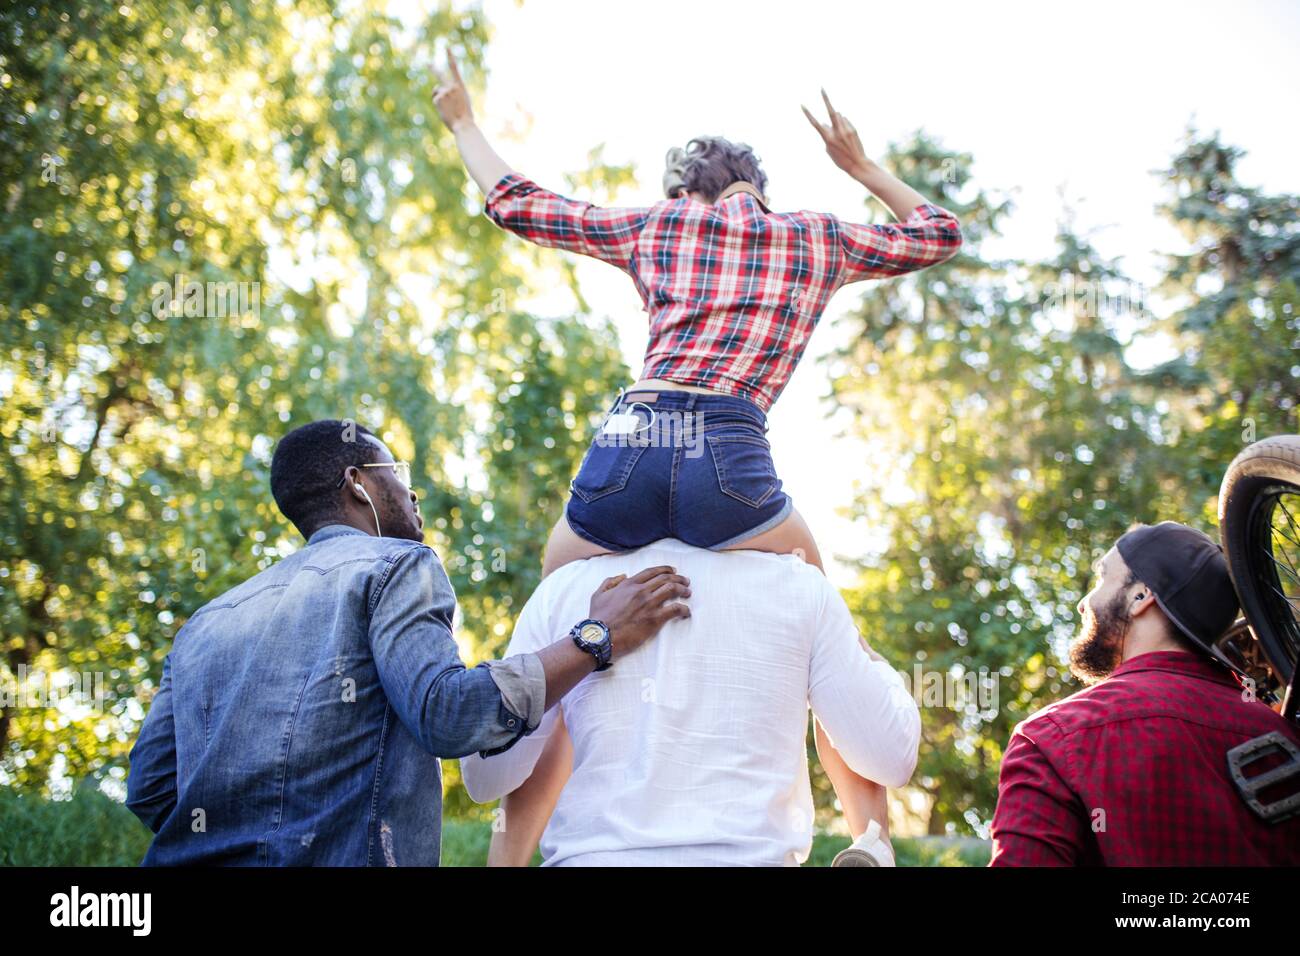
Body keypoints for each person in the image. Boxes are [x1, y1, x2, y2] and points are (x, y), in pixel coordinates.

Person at [431, 49, 959, 844]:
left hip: (631, 446)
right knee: (822, 610)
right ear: (758, 189)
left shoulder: (661, 221)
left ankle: (511, 852)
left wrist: (465, 124)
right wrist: (862, 166)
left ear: (685, 188)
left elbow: (519, 203)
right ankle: (868, 837)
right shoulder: (815, 238)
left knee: (554, 621)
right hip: (731, 456)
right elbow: (939, 232)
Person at [125, 419, 690, 865]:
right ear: (357, 483)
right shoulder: (394, 567)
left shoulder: (204, 623)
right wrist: (595, 637)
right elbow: (447, 713)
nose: (411, 489)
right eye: (396, 470)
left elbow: (151, 789)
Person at [459, 538, 922, 866]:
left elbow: (485, 777)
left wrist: (565, 663)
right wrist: (865, 657)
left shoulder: (563, 591)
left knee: (555, 719)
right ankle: (874, 846)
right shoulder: (801, 584)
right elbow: (889, 759)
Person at [990, 521, 1300, 866]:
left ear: (1141, 596)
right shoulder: (1282, 736)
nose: (1083, 602)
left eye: (1102, 579)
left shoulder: (1053, 737)